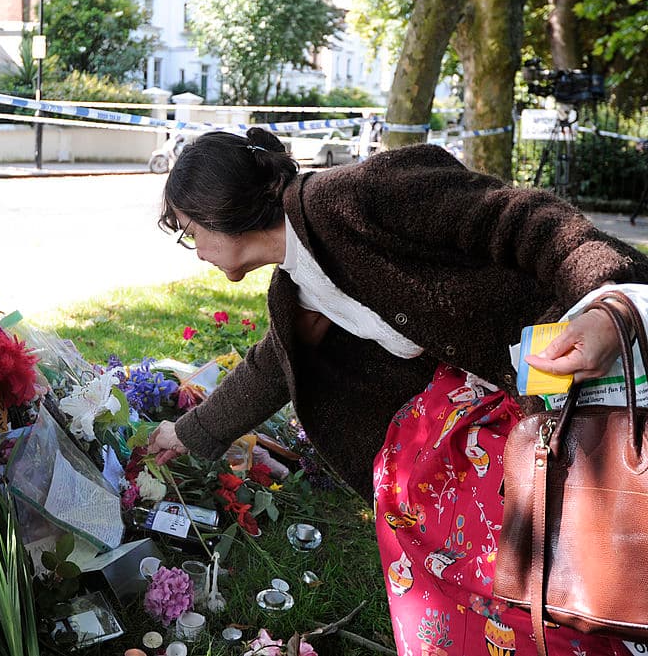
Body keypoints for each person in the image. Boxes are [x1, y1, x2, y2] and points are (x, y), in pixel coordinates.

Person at [147, 127, 648, 655]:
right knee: (418, 497)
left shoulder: (360, 196)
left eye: (189, 231)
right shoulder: (298, 278)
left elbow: (523, 218)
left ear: (219, 212)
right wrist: (189, 433)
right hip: (498, 390)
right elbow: (273, 365)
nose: (196, 251)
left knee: (554, 548)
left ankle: (576, 631)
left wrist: (602, 304)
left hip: (565, 369)